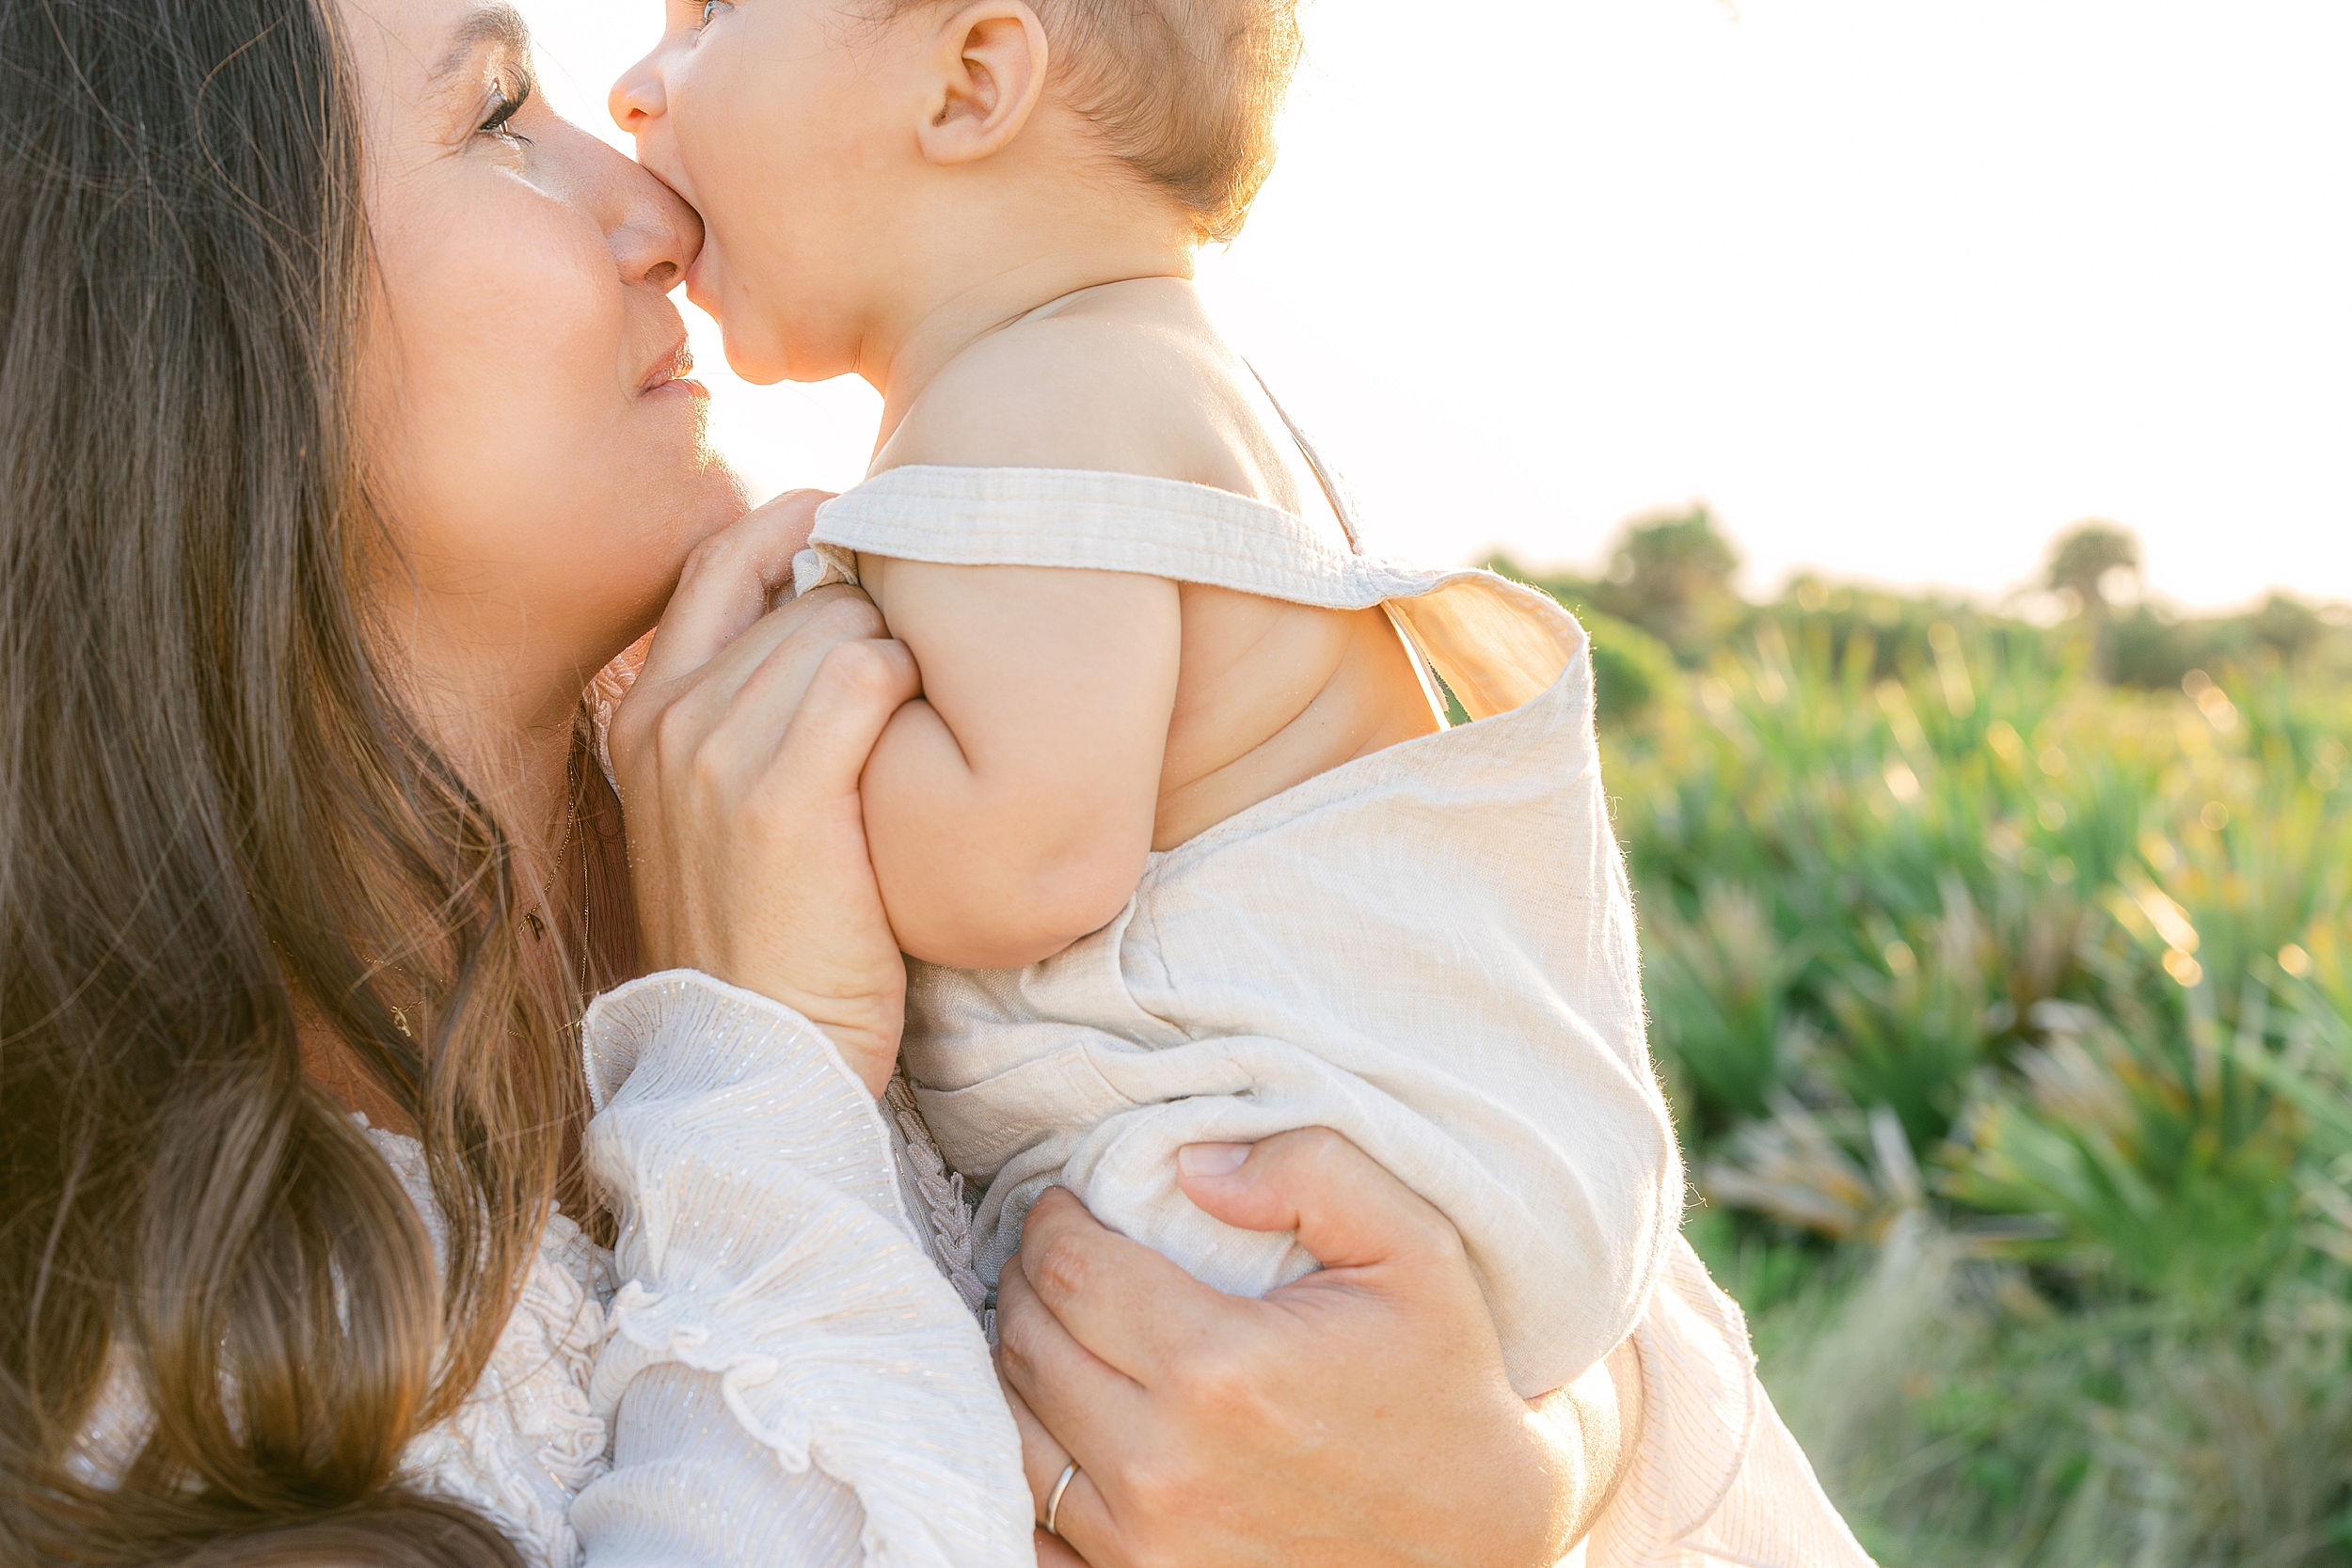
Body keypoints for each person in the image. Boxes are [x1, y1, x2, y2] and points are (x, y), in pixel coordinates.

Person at [1, 0, 1637, 1564]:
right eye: (501, 114)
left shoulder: (797, 744)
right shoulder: (114, 1360)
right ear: (183, 342)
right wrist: (756, 1050)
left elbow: (1453, 1160)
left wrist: (1508, 1489)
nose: (646, 191)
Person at [611, 3, 1874, 1564]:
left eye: (711, 14)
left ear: (973, 80)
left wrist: (783, 730)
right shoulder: (1162, 376)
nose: (634, 87)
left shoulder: (1024, 411)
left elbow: (1017, 870)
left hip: (1264, 1191)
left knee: (1038, 1443)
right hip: (1441, 1178)